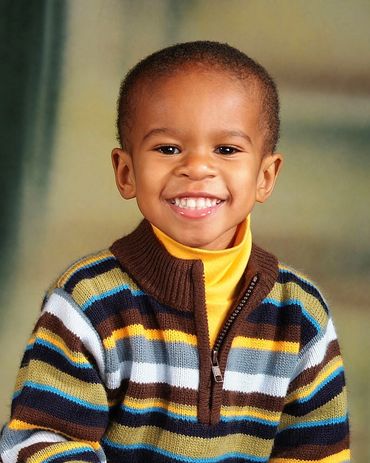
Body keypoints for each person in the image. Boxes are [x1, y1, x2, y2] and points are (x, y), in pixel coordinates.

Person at [0, 41, 350, 463]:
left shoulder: (300, 315)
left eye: (226, 149)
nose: (197, 167)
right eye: (168, 149)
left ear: (265, 176)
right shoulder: (88, 302)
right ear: (126, 172)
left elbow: (317, 453)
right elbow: (43, 441)